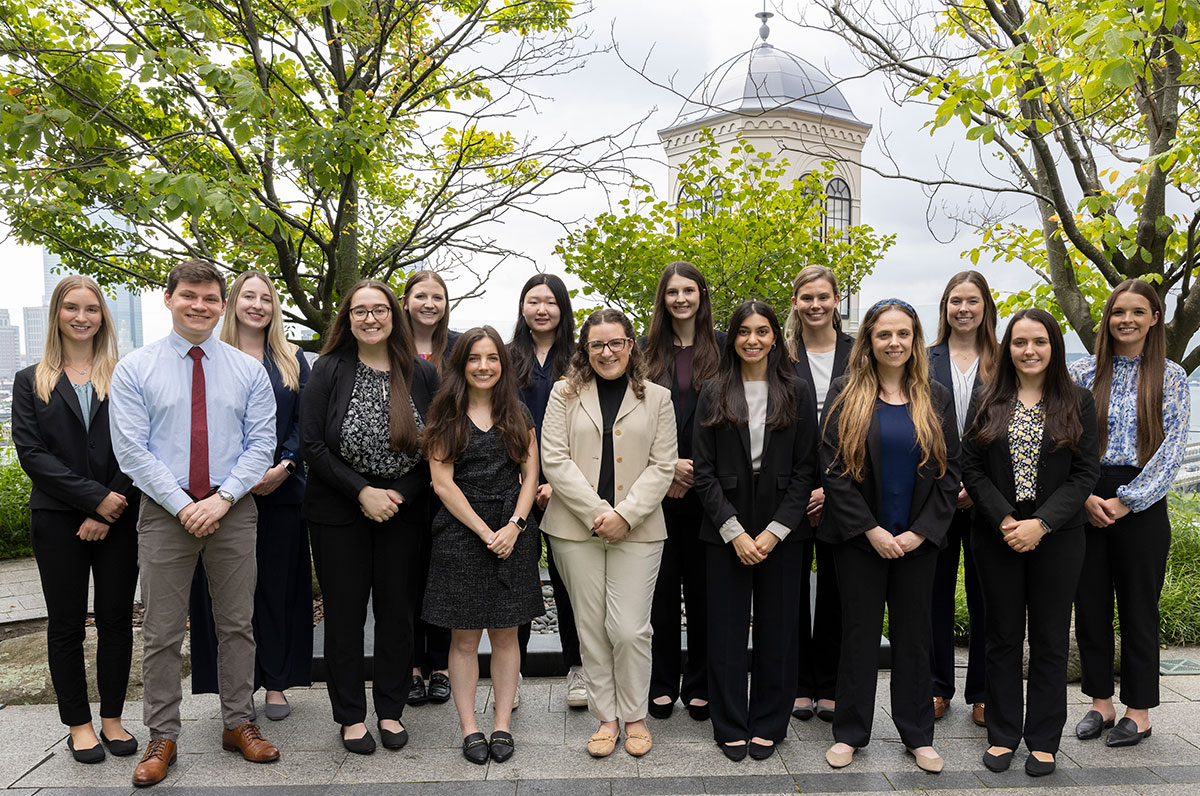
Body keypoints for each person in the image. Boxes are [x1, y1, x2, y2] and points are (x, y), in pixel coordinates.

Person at [109, 260, 280, 786]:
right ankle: (163, 735)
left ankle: (238, 723)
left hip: (233, 510)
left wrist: (223, 498)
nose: (200, 306)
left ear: (221, 305)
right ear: (169, 299)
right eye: (190, 296)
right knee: (161, 630)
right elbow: (131, 451)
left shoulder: (248, 369)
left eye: (210, 298)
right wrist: (183, 504)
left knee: (237, 625)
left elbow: (262, 445)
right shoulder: (135, 368)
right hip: (165, 513)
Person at [819, 298, 959, 774]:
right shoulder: (846, 391)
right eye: (884, 334)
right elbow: (834, 471)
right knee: (857, 636)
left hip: (917, 543)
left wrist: (921, 533)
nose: (894, 342)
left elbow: (949, 472)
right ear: (869, 341)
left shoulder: (935, 396)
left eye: (903, 334)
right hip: (862, 541)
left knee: (913, 638)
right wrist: (871, 530)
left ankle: (918, 735)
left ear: (914, 340)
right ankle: (850, 733)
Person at [300, 278, 439, 755]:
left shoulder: (418, 374)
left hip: (403, 512)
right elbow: (313, 445)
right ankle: (351, 717)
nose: (371, 318)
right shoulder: (329, 369)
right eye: (360, 311)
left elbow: (435, 451)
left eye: (379, 310)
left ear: (393, 315)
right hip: (339, 512)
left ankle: (390, 710)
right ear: (348, 318)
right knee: (344, 615)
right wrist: (363, 492)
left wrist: (396, 494)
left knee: (397, 613)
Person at [961, 308, 1099, 776]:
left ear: (1053, 347)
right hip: (996, 536)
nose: (1029, 350)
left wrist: (1040, 524)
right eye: (1020, 342)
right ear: (1007, 348)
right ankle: (1003, 734)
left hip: (1057, 538)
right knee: (1001, 637)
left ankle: (1043, 739)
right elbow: (971, 468)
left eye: (1039, 341)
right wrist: (1004, 519)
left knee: (1049, 639)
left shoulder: (1077, 401)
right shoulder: (986, 398)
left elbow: (1085, 473)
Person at [11, 275, 140, 764]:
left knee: (115, 621)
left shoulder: (124, 375)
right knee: (66, 625)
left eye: (91, 308)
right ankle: (79, 725)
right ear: (57, 315)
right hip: (57, 521)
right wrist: (92, 502)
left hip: (120, 517)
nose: (82, 316)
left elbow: (137, 446)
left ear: (103, 316)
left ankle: (112, 718)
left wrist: (110, 506)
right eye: (72, 307)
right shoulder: (30, 380)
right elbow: (32, 455)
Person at [540, 308, 676, 758]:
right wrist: (599, 512)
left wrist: (626, 515)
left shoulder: (657, 398)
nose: (607, 351)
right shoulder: (564, 393)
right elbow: (554, 459)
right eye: (597, 344)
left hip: (638, 530)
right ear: (586, 349)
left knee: (631, 628)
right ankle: (608, 718)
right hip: (573, 528)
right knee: (592, 627)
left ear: (630, 345)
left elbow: (663, 466)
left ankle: (635, 714)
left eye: (615, 342)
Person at [692, 301, 817, 761]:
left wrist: (775, 531)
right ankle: (729, 723)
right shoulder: (713, 390)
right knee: (724, 633)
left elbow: (807, 470)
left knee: (779, 632)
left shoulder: (797, 391)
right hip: (725, 529)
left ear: (774, 337)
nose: (752, 340)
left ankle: (768, 722)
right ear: (732, 338)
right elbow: (702, 472)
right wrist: (735, 532)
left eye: (762, 331)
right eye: (743, 331)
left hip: (782, 532)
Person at [1069, 279, 1189, 748]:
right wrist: (1082, 497)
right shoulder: (1081, 373)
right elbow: (1064, 440)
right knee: (1091, 605)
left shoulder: (1173, 376)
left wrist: (1126, 500)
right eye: (1119, 311)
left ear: (1154, 318)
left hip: (1141, 505)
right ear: (1108, 317)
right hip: (1085, 498)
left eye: (1138, 312)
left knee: (1139, 608)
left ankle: (1138, 711)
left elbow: (1172, 449)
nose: (1127, 320)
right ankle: (1100, 703)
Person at [187, 271, 313, 720]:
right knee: (226, 597)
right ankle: (234, 688)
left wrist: (286, 464)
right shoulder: (210, 357)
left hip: (281, 491)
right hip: (220, 495)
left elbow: (306, 422)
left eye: (266, 298)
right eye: (248, 296)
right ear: (232, 303)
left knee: (277, 590)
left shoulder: (293, 358)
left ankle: (277, 683)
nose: (257, 305)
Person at [421, 327, 542, 765]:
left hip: (512, 533)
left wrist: (514, 525)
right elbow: (442, 483)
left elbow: (531, 475)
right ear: (461, 365)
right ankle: (470, 728)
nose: (484, 366)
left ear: (502, 365)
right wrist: (483, 530)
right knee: (465, 638)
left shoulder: (518, 413)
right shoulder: (445, 415)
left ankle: (502, 724)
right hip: (460, 533)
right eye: (474, 358)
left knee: (507, 635)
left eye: (492, 358)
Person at [641, 261, 722, 722]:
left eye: (688, 290)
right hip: (655, 491)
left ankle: (701, 681)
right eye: (672, 291)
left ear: (701, 295)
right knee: (659, 593)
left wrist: (697, 470)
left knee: (706, 592)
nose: (681, 299)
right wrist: (668, 467)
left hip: (709, 492)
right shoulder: (643, 352)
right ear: (663, 298)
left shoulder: (725, 350)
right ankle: (661, 681)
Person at [509, 273, 584, 709]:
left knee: (570, 582)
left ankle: (578, 669)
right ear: (522, 308)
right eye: (533, 301)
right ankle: (511, 671)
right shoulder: (504, 356)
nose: (542, 309)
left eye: (550, 302)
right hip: (515, 484)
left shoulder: (580, 357)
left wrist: (558, 480)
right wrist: (522, 477)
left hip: (565, 487)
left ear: (562, 308)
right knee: (517, 580)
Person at [926, 270, 997, 726]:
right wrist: (948, 482)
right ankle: (936, 686)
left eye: (972, 301)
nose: (964, 309)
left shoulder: (1003, 360)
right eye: (956, 301)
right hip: (934, 494)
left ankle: (984, 692)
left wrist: (977, 484)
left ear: (986, 307)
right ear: (945, 307)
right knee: (932, 594)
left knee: (988, 596)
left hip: (989, 496)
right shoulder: (924, 357)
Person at [785, 264, 853, 723]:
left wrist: (832, 488)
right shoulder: (781, 355)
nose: (815, 305)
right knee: (787, 591)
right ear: (795, 302)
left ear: (835, 301)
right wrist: (803, 488)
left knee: (835, 591)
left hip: (846, 487)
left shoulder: (858, 352)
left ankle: (828, 683)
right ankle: (796, 682)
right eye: (806, 297)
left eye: (823, 297)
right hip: (790, 487)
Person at [399, 269, 455, 706]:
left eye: (437, 296)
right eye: (421, 296)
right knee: (409, 575)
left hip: (452, 479)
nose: (429, 304)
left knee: (444, 572)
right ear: (406, 300)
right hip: (403, 482)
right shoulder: (388, 347)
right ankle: (412, 666)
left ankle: (441, 665)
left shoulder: (457, 348)